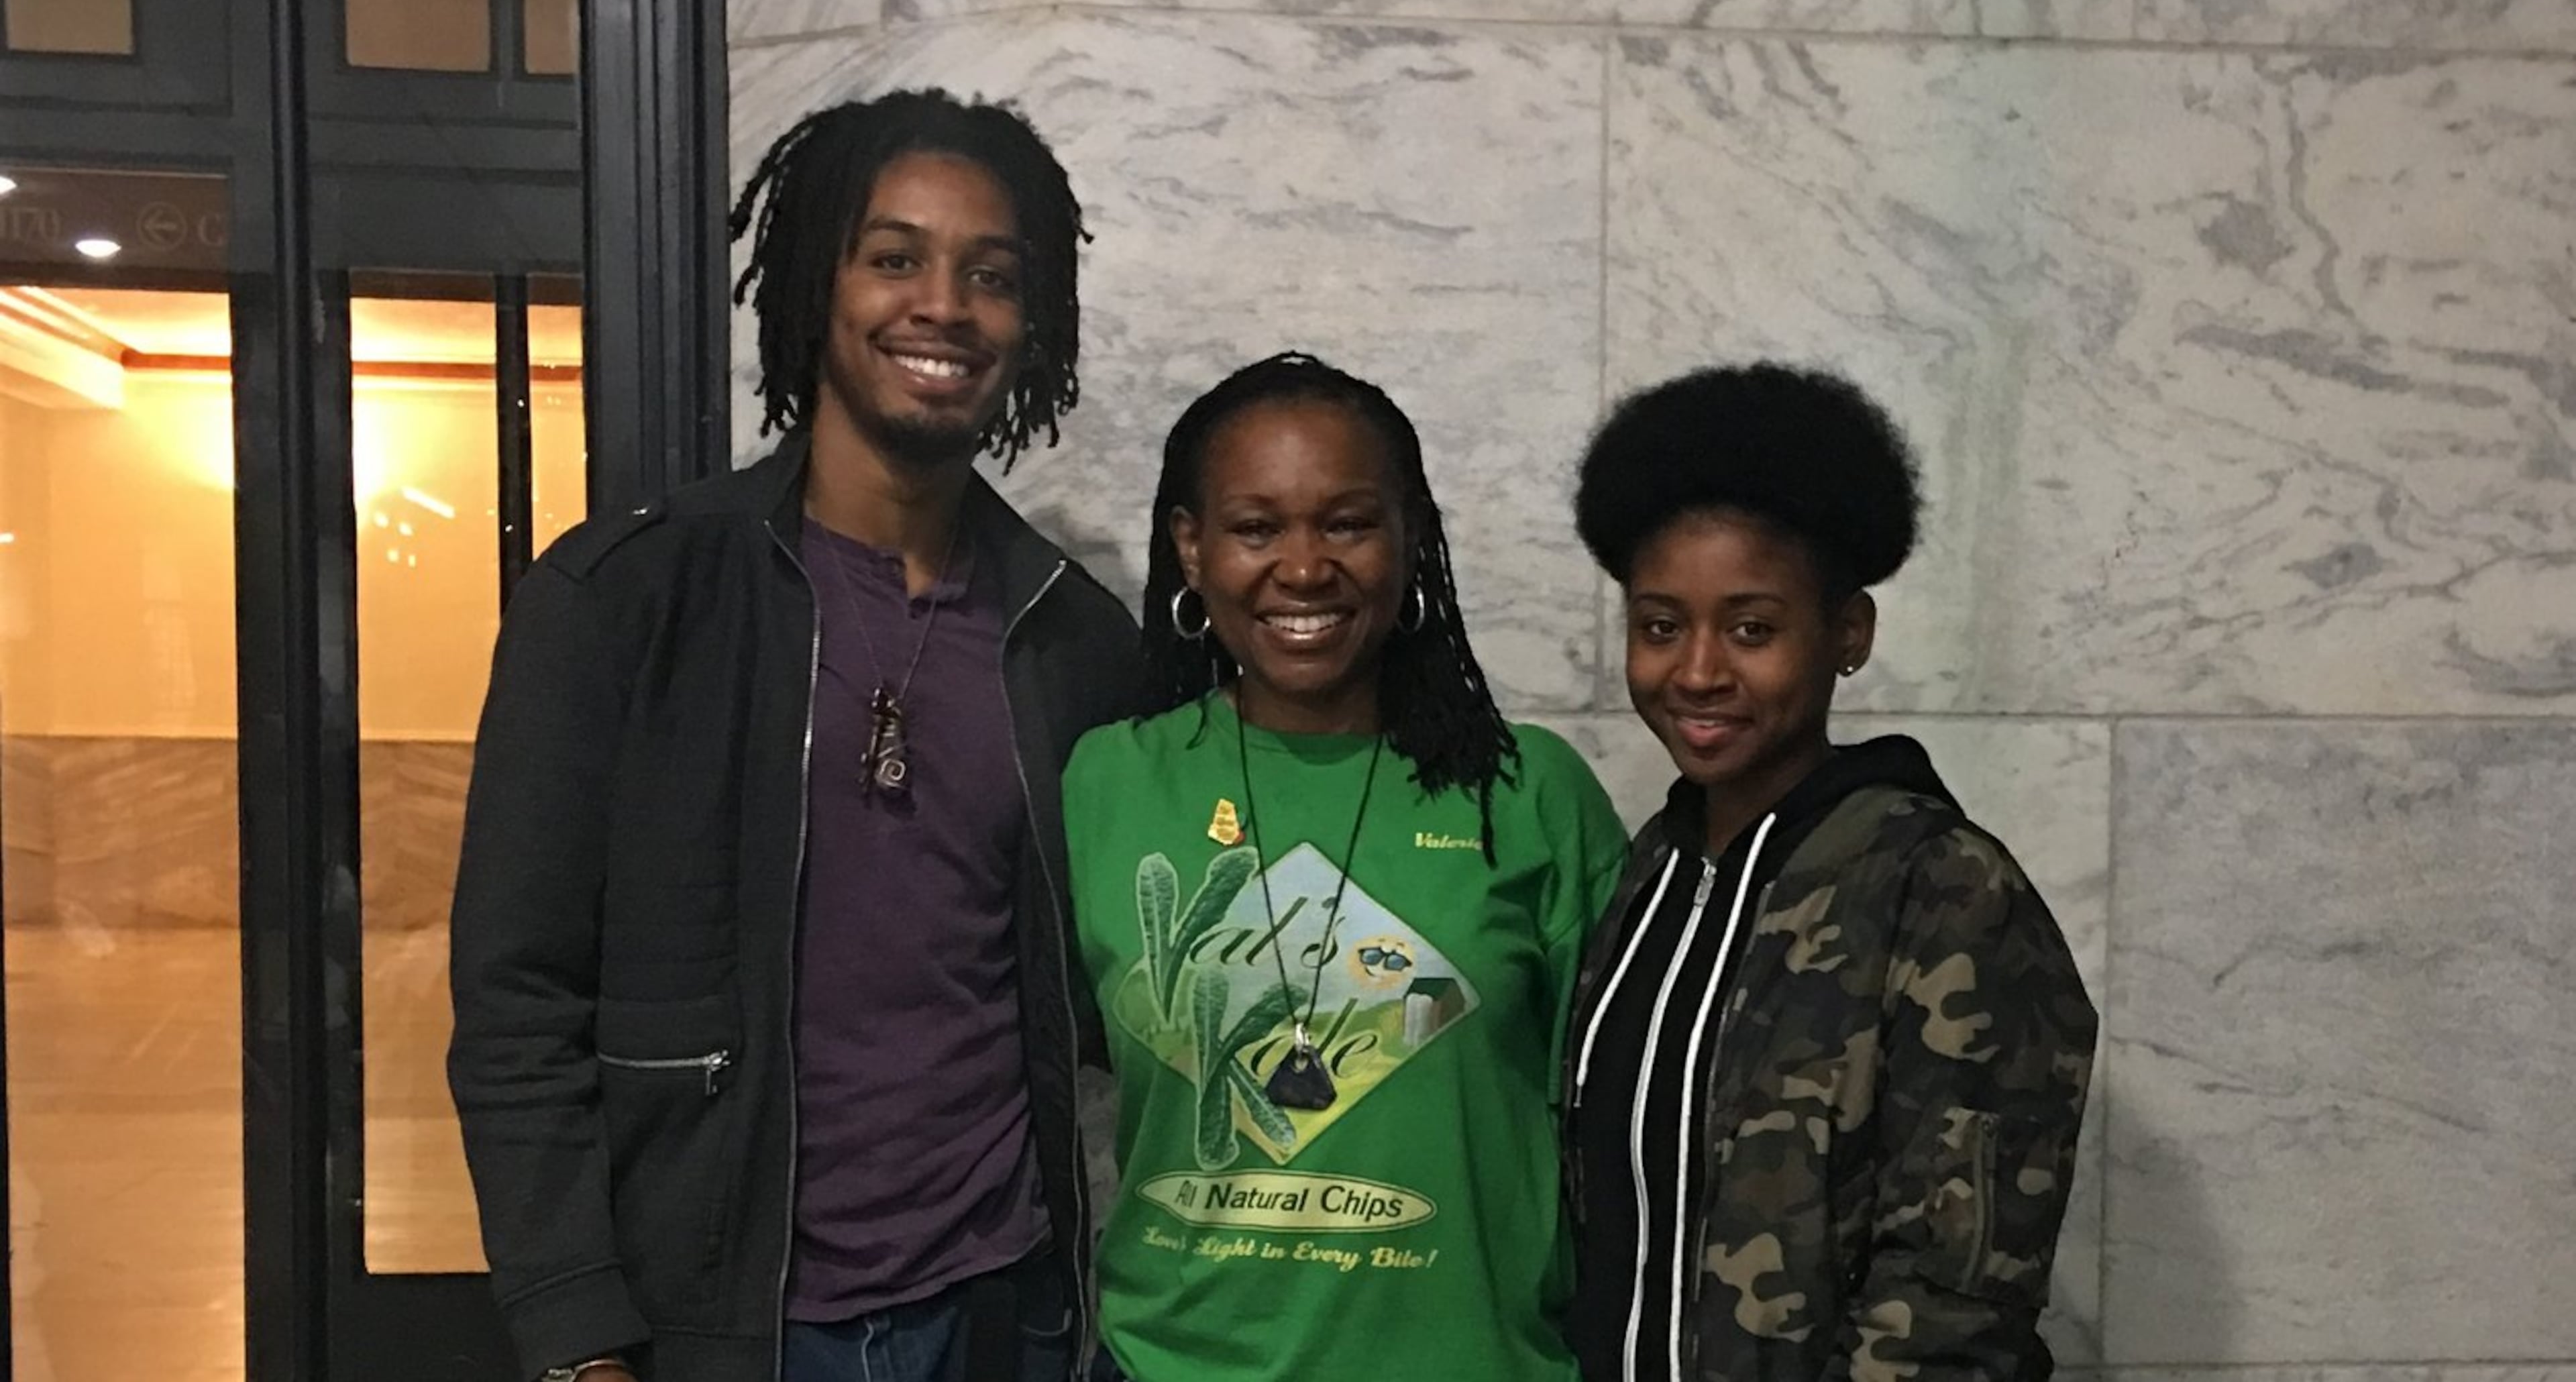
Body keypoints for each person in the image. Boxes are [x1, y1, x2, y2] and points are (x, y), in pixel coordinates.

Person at [446, 88, 1141, 1382]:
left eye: (989, 275)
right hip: (733, 1329)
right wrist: (573, 1321)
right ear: (817, 285)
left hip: (1011, 1313)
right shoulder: (623, 604)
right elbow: (516, 1003)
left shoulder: (1074, 639)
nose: (943, 305)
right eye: (895, 259)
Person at [1060, 352, 1629, 1381]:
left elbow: (1632, 1139)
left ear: (1409, 540)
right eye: (1256, 527)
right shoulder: (1106, 783)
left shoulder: (1528, 794)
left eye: (1348, 523)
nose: (1305, 567)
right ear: (1191, 549)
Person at [1561, 364, 2097, 1382]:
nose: (1700, 671)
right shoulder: (1650, 879)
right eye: (1661, 625)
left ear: (1847, 634)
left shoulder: (1939, 888)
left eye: (1753, 628)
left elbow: (1958, 1300)